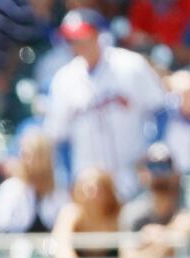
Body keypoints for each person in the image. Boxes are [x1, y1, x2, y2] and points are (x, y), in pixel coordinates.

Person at [43, 10, 165, 198]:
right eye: (73, 39)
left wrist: (153, 150)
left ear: (100, 35)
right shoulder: (64, 79)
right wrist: (69, 181)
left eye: (84, 36)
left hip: (132, 174)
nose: (79, 44)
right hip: (90, 185)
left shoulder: (130, 65)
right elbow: (61, 138)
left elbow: (159, 109)